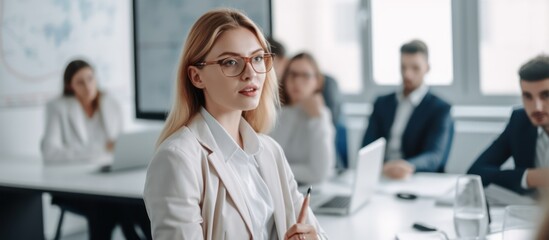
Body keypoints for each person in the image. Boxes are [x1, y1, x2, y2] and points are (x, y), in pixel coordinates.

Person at [143, 9, 327, 240]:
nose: (250, 73)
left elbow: (315, 232)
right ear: (197, 77)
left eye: (258, 58)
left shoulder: (269, 151)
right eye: (230, 62)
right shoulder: (177, 159)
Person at [41, 60, 150, 240]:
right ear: (70, 86)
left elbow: (119, 148)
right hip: (74, 183)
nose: (87, 86)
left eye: (90, 79)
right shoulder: (57, 108)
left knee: (137, 203)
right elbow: (50, 153)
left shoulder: (111, 104)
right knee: (110, 206)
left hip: (109, 180)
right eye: (80, 82)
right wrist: (99, 149)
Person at [361, 39, 454, 180]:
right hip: (382, 175)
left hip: (416, 177)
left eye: (415, 68)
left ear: (427, 68)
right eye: (403, 67)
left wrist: (406, 166)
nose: (407, 74)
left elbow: (435, 156)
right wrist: (382, 168)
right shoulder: (382, 103)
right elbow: (367, 147)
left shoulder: (440, 109)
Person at [468, 55, 549, 195]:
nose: (537, 107)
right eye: (527, 96)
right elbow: (476, 172)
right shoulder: (519, 121)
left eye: (546, 95)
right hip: (531, 212)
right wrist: (532, 177)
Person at [270, 52, 336, 185]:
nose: (297, 82)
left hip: (312, 189)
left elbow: (319, 173)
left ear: (317, 82)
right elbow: (270, 165)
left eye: (305, 76)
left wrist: (317, 119)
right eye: (292, 75)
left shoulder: (321, 115)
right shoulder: (276, 113)